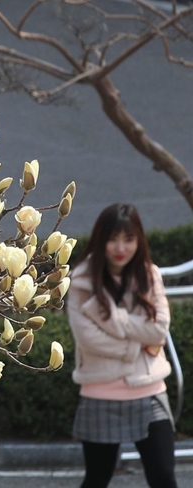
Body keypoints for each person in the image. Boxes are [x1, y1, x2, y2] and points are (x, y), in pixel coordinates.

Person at [67, 203, 177, 488]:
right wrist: (136, 345)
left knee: (163, 476)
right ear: (100, 239)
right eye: (113, 238)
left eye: (129, 239)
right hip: (100, 391)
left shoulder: (149, 274)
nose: (121, 247)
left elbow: (159, 329)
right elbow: (88, 339)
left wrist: (112, 319)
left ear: (138, 239)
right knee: (97, 478)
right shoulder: (81, 280)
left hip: (150, 388)